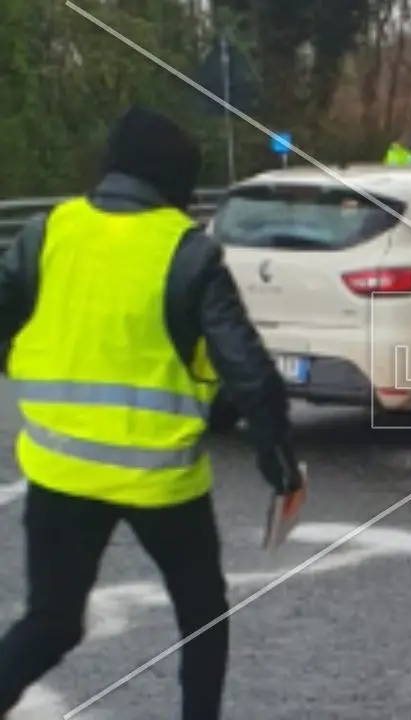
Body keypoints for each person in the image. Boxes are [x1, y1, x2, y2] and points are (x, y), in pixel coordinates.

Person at [0, 107, 303, 719]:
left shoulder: (46, 232)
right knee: (201, 615)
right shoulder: (188, 252)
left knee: (52, 621)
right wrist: (280, 465)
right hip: (161, 481)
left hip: (61, 473)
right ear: (179, 183)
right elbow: (248, 371)